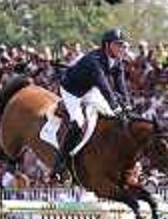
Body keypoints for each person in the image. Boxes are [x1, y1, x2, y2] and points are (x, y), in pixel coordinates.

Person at [52, 29, 131, 179]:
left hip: (89, 89)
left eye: (123, 45)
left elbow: (121, 84)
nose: (122, 48)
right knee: (79, 123)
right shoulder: (93, 60)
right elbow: (105, 87)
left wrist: (127, 106)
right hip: (72, 91)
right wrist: (116, 106)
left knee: (110, 115)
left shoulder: (117, 60)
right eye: (118, 45)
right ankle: (60, 162)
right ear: (107, 45)